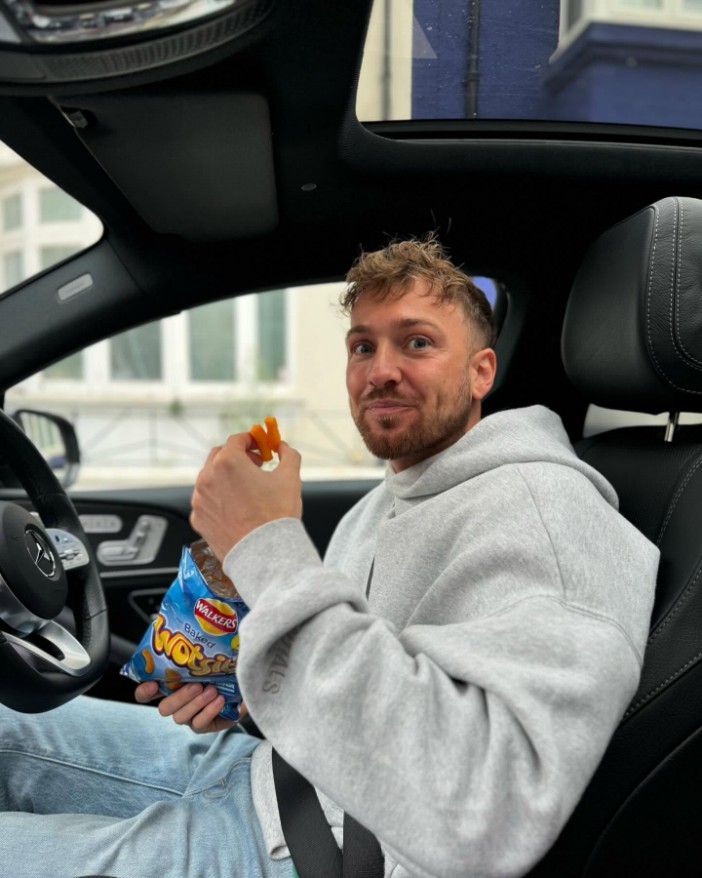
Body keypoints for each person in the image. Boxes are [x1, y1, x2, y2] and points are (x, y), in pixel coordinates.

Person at [0, 236, 659, 878]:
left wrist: (265, 539)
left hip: (332, 852)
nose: (381, 370)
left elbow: (485, 812)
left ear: (481, 370)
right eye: (362, 346)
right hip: (275, 777)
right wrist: (252, 695)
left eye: (418, 342)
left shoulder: (548, 514)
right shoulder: (390, 500)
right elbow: (371, 678)